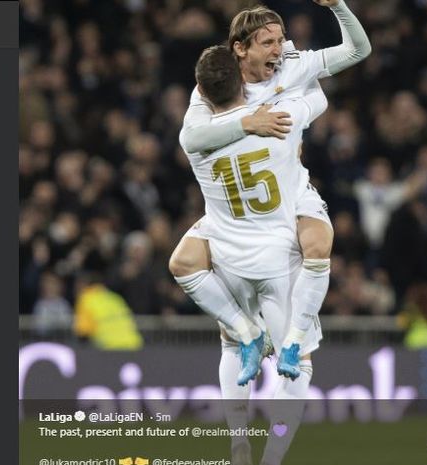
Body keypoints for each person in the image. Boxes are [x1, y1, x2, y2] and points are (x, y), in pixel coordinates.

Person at [169, 0, 371, 383]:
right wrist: (250, 123)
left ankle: (292, 341)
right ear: (239, 49)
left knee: (318, 246)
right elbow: (192, 137)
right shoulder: (216, 88)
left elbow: (357, 51)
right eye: (267, 42)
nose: (278, 49)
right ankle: (250, 348)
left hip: (290, 189)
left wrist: (338, 7)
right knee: (184, 265)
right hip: (243, 202)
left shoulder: (293, 64)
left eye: (280, 40)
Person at [183, 44, 326, 465]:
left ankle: (238, 439)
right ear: (242, 81)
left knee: (230, 343)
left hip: (228, 253)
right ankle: (274, 453)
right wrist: (295, 67)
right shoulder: (280, 129)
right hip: (279, 259)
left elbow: (198, 128)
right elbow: (317, 97)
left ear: (202, 91)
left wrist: (244, 113)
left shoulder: (195, 141)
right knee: (300, 367)